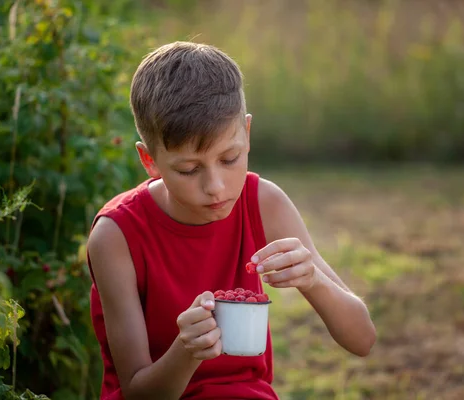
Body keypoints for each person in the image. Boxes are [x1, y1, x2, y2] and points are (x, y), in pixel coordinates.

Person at [86, 41, 376, 400]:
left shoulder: (263, 202)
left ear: (247, 135)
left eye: (229, 158)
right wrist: (186, 351)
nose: (216, 187)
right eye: (189, 169)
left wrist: (313, 279)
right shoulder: (116, 235)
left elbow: (362, 339)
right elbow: (138, 392)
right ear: (149, 161)